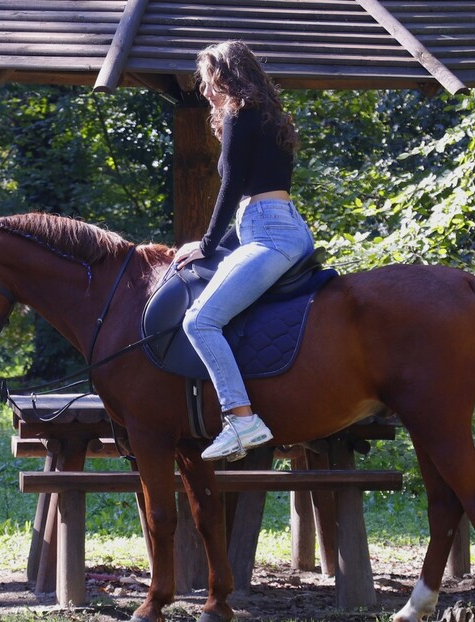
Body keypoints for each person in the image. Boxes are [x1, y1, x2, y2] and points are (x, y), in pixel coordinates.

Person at [173, 41, 316, 462]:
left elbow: (232, 186)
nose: (203, 89)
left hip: (269, 234)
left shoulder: (239, 113)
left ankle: (242, 419)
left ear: (227, 75)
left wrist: (205, 244)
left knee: (200, 321)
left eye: (207, 78)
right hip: (278, 226)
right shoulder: (269, 115)